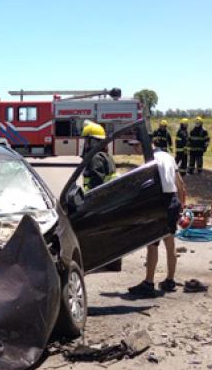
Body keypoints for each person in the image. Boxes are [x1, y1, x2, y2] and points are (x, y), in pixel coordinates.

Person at [128, 137, 188, 297]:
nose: (135, 149)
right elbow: (180, 184)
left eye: (136, 145)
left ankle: (148, 283)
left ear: (146, 144)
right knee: (170, 243)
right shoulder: (168, 157)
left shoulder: (150, 160)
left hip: (159, 204)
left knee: (152, 246)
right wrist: (181, 207)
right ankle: (170, 280)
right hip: (172, 202)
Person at [81, 120, 116, 190]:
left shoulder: (96, 158)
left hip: (97, 198)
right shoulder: (105, 156)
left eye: (86, 140)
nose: (84, 143)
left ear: (93, 142)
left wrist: (86, 195)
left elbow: (97, 181)